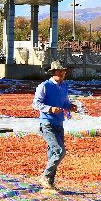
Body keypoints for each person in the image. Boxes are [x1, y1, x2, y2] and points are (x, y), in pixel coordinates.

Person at [32, 61, 78, 190]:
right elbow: (36, 104)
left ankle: (49, 182)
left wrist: (70, 107)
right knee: (60, 151)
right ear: (53, 72)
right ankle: (45, 176)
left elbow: (64, 103)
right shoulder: (44, 86)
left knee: (52, 154)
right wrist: (50, 109)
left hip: (59, 123)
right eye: (59, 71)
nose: (62, 73)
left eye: (63, 71)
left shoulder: (64, 86)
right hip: (47, 123)